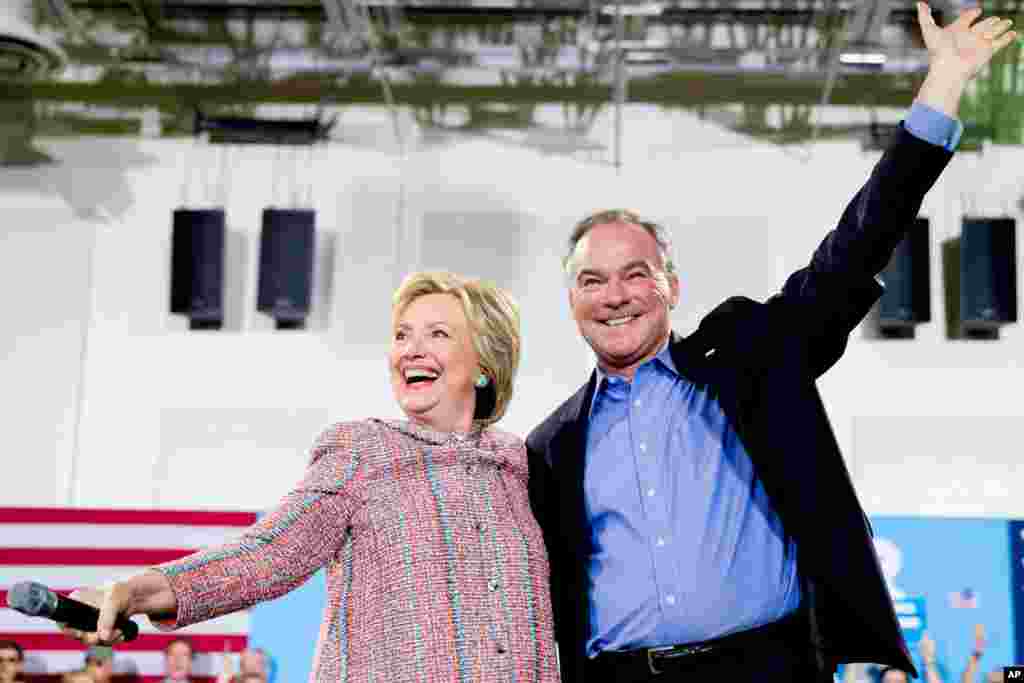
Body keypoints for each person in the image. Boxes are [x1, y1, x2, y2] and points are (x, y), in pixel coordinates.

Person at [525, 4, 1017, 682]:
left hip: (766, 666)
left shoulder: (750, 356)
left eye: (636, 273)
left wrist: (944, 83)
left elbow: (853, 250)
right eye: (592, 279)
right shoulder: (548, 448)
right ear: (572, 301)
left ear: (672, 284)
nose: (615, 294)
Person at [61, 271, 560, 682]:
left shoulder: (518, 464)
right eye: (402, 334)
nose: (411, 349)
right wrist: (131, 592)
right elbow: (271, 553)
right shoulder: (362, 451)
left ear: (484, 367)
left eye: (438, 334)